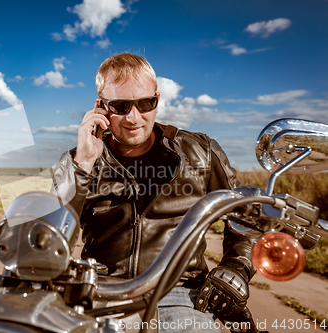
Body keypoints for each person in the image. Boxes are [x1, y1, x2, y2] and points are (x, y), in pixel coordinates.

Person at [51, 53, 256, 333]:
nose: (134, 118)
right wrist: (84, 164)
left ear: (157, 100)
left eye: (145, 103)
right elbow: (51, 237)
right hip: (102, 293)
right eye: (120, 106)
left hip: (183, 294)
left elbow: (245, 217)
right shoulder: (78, 160)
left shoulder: (201, 152)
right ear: (101, 107)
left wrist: (237, 266)